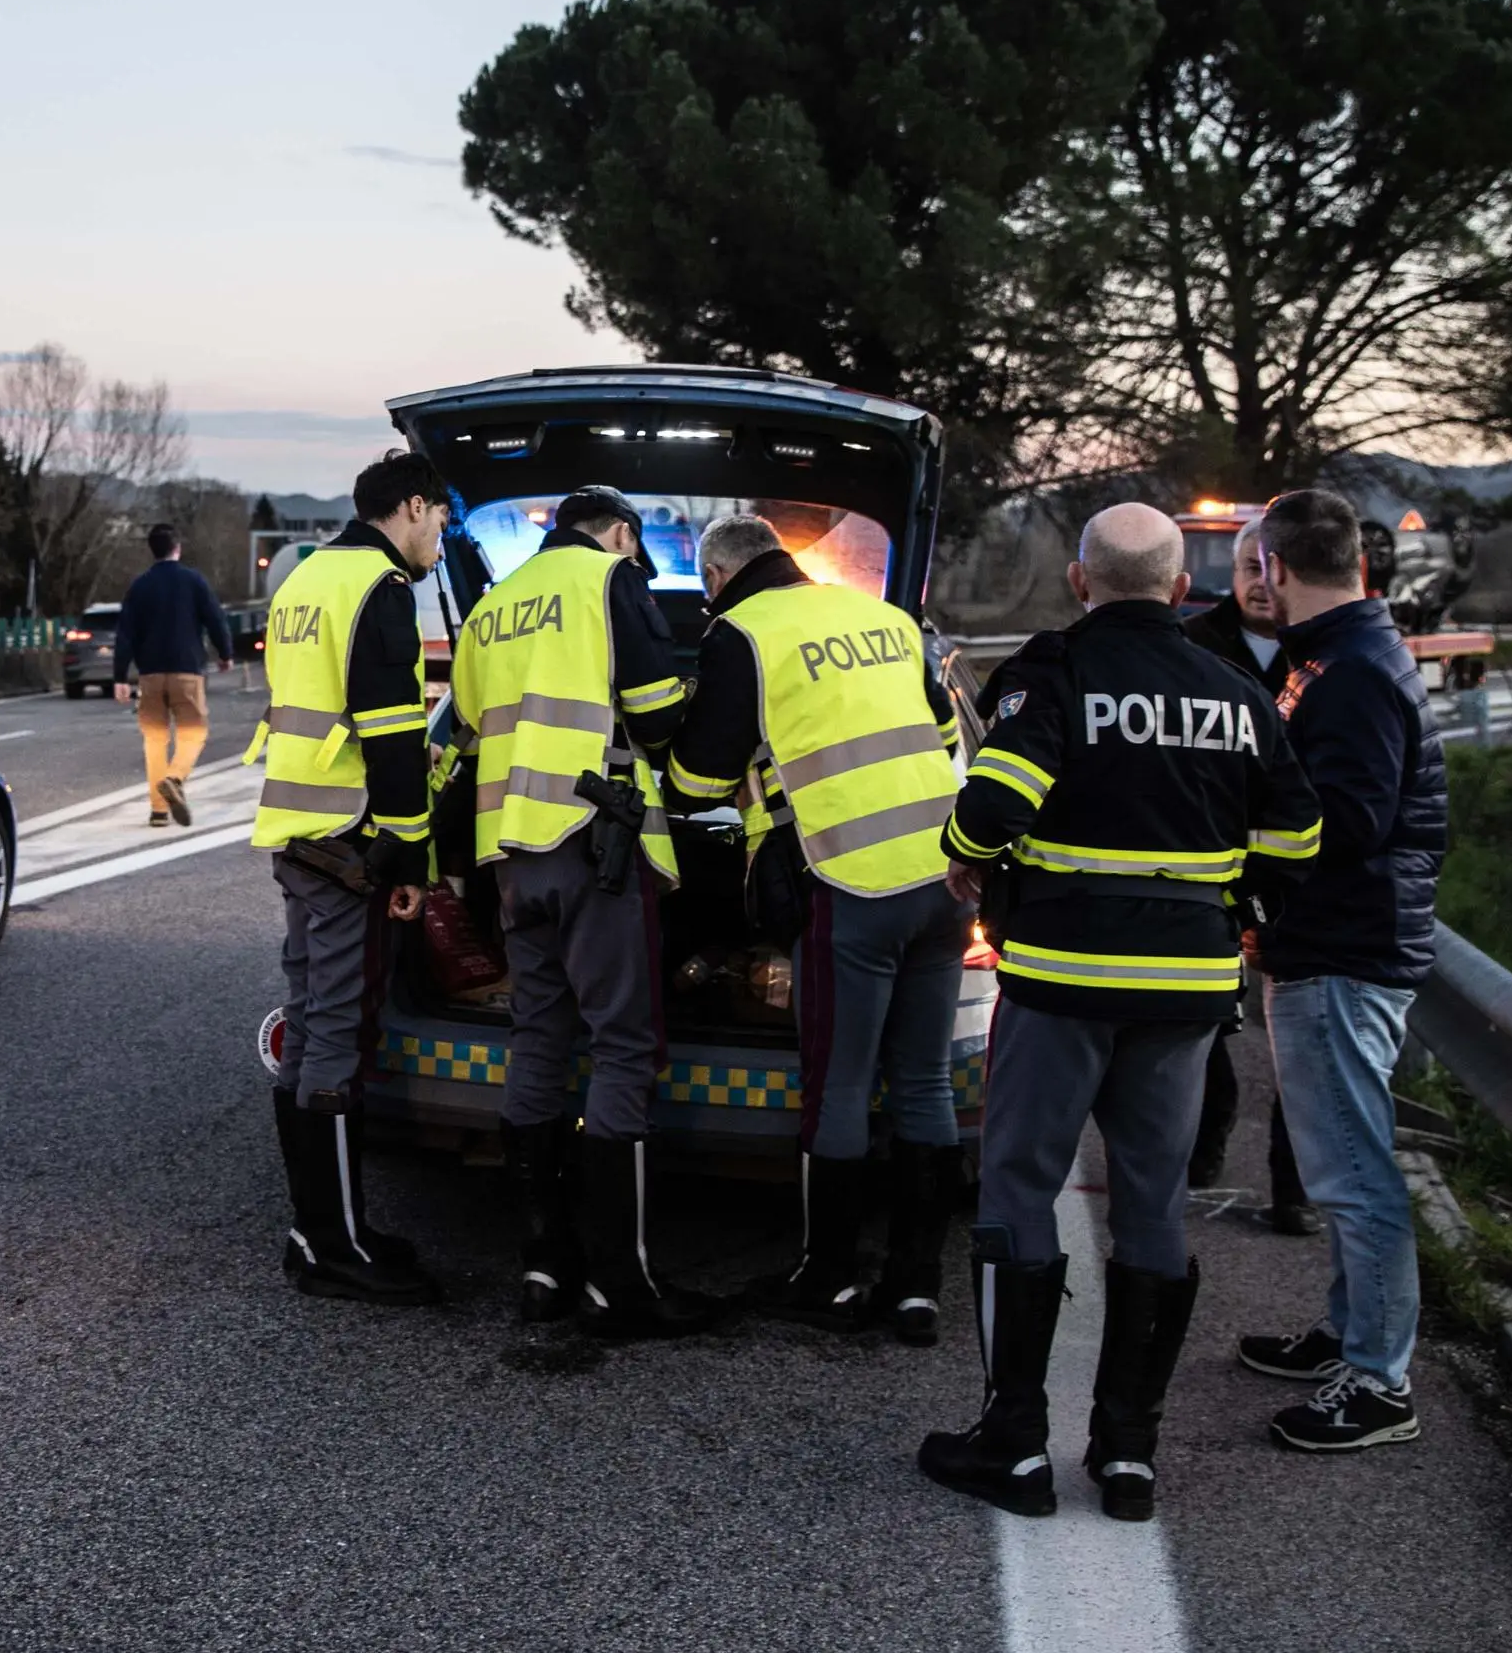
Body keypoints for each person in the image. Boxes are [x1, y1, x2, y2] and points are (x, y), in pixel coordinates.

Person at [917, 503, 1320, 1521]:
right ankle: (1127, 1452)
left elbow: (991, 803)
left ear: (1077, 579)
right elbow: (1297, 836)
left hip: (1060, 978)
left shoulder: (1051, 674)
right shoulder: (1236, 692)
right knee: (1151, 1202)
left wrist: (969, 859)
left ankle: (1012, 1443)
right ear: (1181, 588)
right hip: (1183, 990)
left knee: (1016, 1186)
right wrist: (1234, 901)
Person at [661, 512, 970, 1345]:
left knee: (836, 1086)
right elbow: (943, 734)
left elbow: (695, 779)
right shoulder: (884, 617)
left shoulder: (741, 635)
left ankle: (828, 1279)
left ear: (717, 580)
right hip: (945, 881)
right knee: (924, 1085)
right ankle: (915, 1287)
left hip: (849, 879)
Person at [448, 485, 710, 1338]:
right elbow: (660, 711)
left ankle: (540, 1264)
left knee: (538, 1040)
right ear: (623, 536)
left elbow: (470, 726)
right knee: (624, 1046)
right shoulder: (609, 580)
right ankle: (618, 1283)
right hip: (597, 848)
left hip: (513, 856)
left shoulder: (492, 607)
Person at [1237, 487, 1447, 1454]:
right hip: (1336, 940)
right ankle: (1346, 1333)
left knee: (1354, 1169)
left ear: (1276, 568)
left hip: (1344, 948)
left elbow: (1350, 820)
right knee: (1340, 1165)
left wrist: (1242, 843)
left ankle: (1378, 1381)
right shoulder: (1339, 654)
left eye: (1252, 568)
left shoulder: (1351, 670)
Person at [251, 451, 449, 1306]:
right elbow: (396, 731)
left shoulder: (302, 580)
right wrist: (408, 851)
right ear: (411, 507)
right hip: (347, 842)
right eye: (440, 517)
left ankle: (324, 1231)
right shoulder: (380, 587)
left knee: (307, 1022)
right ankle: (333, 1248)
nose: (441, 537)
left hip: (297, 833)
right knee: (335, 1034)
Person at [1182, 516, 1318, 1233]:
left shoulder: (1323, 654)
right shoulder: (1192, 645)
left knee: (1298, 1044)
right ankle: (1203, 1143)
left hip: (1297, 874)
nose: (1260, 582)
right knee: (1206, 1027)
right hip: (1213, 871)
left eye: (1272, 567)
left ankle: (1291, 1192)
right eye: (1247, 567)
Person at [113, 522, 235, 828]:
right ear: (177, 548)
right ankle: (174, 777)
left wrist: (119, 677)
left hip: (150, 674)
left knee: (154, 740)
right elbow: (215, 619)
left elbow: (125, 633)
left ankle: (158, 811)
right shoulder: (193, 581)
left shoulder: (139, 586)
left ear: (151, 550)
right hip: (187, 670)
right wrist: (225, 653)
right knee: (194, 732)